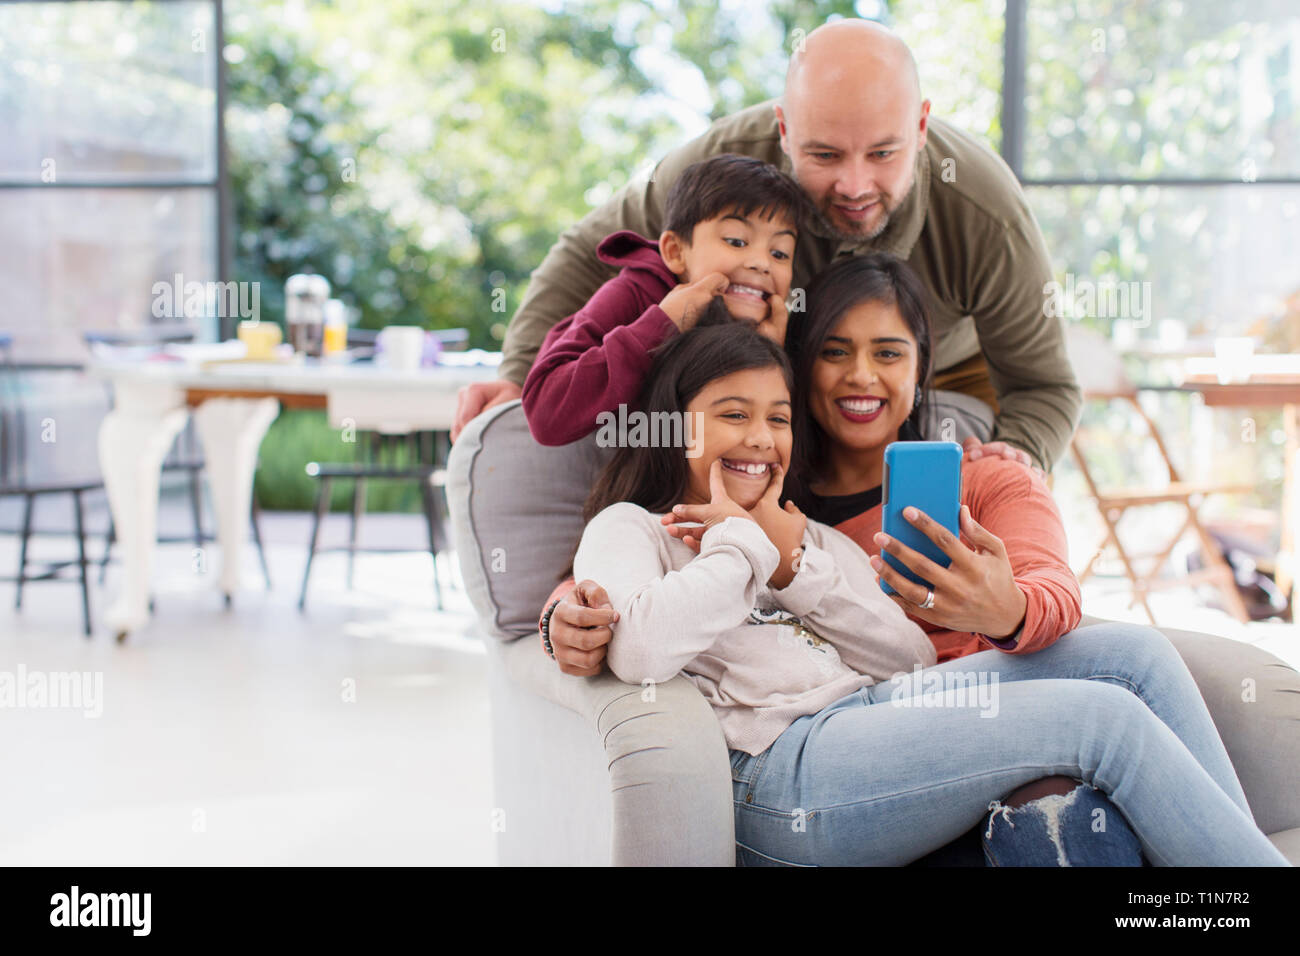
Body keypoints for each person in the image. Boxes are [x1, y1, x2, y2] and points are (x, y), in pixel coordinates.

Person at [575, 315, 1287, 866]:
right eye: (734, 414)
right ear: (675, 424)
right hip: (781, 772)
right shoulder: (632, 528)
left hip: (872, 715)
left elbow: (906, 658)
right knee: (1104, 722)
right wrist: (740, 544)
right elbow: (638, 648)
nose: (761, 438)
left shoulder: (806, 540)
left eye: (779, 417)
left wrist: (792, 569)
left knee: (1135, 656)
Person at [454, 17, 1079, 476]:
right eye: (824, 154)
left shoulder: (983, 210)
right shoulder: (725, 163)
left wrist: (1017, 457)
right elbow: (584, 253)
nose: (855, 185)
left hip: (941, 374)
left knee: (951, 468)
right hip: (774, 381)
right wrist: (517, 374)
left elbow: (1046, 386)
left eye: (883, 154)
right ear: (784, 130)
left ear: (920, 127)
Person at [522, 154, 807, 446]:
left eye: (780, 253)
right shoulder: (633, 295)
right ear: (675, 251)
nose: (762, 263)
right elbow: (547, 415)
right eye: (736, 241)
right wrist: (661, 324)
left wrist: (769, 360)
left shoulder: (773, 329)